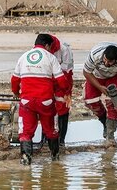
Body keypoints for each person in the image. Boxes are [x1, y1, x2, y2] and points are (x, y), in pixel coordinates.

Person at [11, 33, 68, 165]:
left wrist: (16, 93)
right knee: (51, 130)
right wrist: (63, 92)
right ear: (47, 46)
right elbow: (62, 81)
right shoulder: (51, 58)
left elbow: (14, 80)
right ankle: (55, 159)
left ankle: (26, 160)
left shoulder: (23, 56)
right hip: (46, 101)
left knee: (25, 132)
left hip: (27, 101)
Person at [83, 42, 117, 144]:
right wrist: (99, 87)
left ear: (116, 60)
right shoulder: (95, 54)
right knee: (90, 101)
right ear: (103, 55)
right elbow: (86, 72)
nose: (106, 63)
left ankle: (110, 136)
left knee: (114, 104)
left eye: (110, 62)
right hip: (96, 76)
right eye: (105, 60)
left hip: (114, 76)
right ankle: (104, 122)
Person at [49, 34, 74, 147]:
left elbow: (66, 71)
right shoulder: (43, 48)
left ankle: (61, 140)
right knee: (48, 108)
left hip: (64, 80)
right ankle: (48, 138)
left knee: (63, 109)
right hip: (49, 80)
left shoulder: (65, 49)